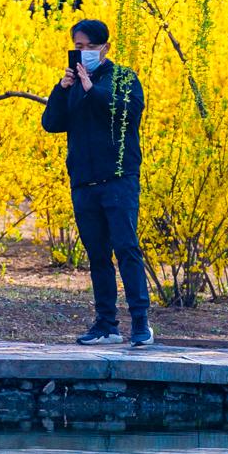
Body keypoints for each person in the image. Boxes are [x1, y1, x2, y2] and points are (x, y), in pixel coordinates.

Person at [41, 19, 153, 347]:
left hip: (118, 179)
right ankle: (106, 324)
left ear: (105, 47)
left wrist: (92, 89)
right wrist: (62, 90)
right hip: (84, 181)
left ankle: (141, 323)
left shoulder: (123, 78)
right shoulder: (71, 84)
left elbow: (126, 113)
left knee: (126, 248)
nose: (83, 52)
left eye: (90, 46)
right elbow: (51, 123)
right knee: (98, 254)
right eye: (78, 46)